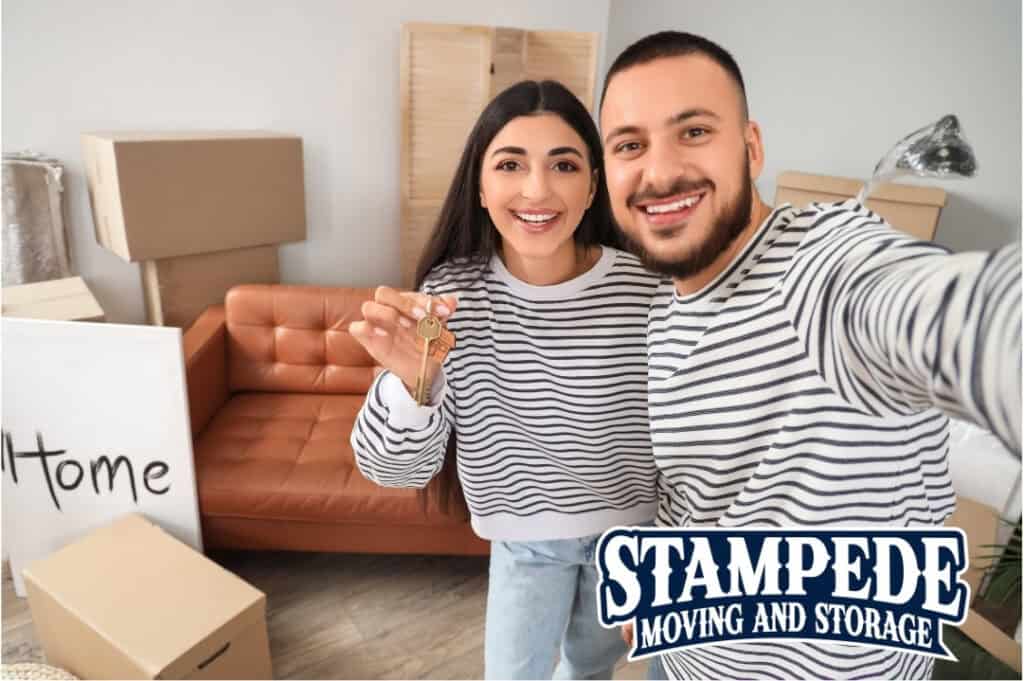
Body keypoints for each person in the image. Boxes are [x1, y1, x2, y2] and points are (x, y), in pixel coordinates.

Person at [599, 31, 1021, 679]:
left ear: (752, 147)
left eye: (694, 132)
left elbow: (945, 314)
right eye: (630, 145)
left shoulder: (818, 265)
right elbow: (695, 492)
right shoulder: (661, 313)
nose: (658, 172)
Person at [349, 79, 663, 680]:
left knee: (590, 669)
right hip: (524, 540)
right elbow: (396, 471)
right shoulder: (451, 295)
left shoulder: (645, 287)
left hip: (632, 538)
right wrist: (414, 385)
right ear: (481, 187)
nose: (537, 190)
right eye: (510, 164)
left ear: (592, 185)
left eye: (563, 165)